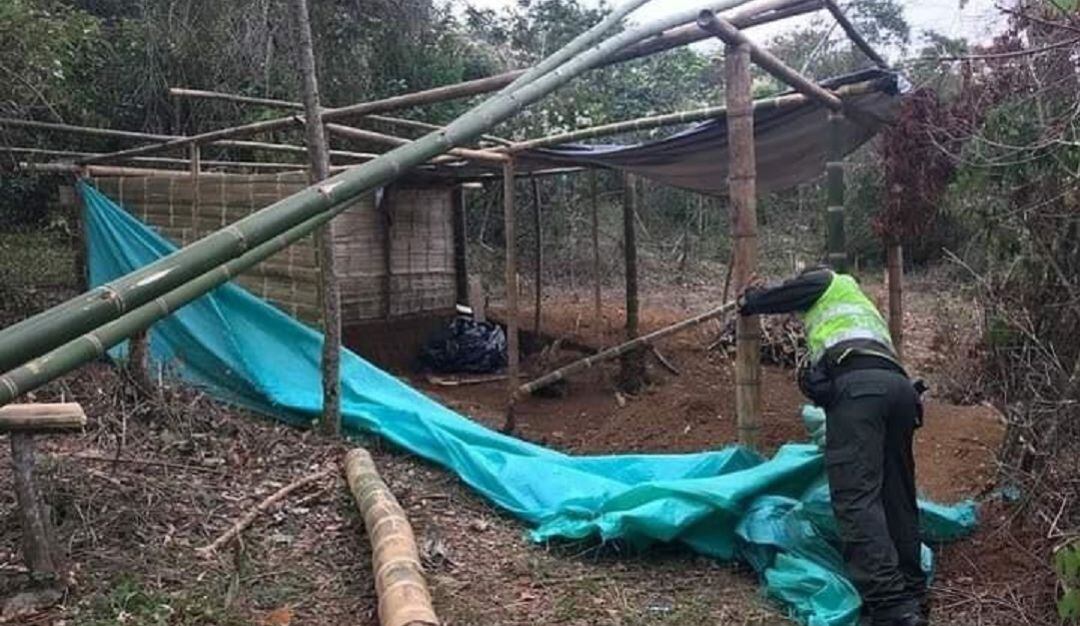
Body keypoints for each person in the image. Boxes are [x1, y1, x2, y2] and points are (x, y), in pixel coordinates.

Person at [738, 265, 928, 626]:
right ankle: (912, 594)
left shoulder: (828, 281)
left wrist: (751, 301)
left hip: (862, 391)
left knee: (856, 498)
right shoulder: (859, 310)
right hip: (900, 391)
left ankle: (891, 606)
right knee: (896, 495)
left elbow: (784, 294)